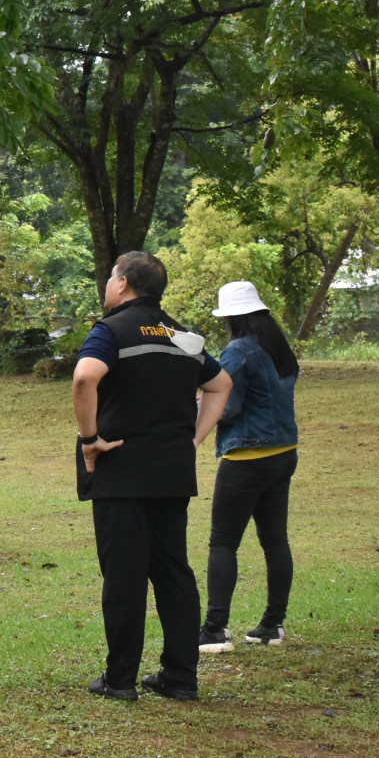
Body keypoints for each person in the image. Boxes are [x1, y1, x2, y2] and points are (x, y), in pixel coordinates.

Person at [73, 252, 232, 702]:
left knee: (124, 577)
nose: (108, 284)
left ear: (123, 283)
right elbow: (221, 385)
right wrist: (193, 439)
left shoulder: (111, 331)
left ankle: (120, 679)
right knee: (173, 572)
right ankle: (180, 678)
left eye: (111, 277)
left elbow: (85, 378)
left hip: (121, 470)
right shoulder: (182, 336)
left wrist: (90, 439)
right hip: (171, 472)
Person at [197, 280, 301, 654]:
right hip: (283, 453)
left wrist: (195, 404)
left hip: (247, 457)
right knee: (275, 541)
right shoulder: (279, 348)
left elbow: (226, 407)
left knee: (223, 542)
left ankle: (214, 629)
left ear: (232, 318)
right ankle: (272, 625)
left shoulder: (237, 351)